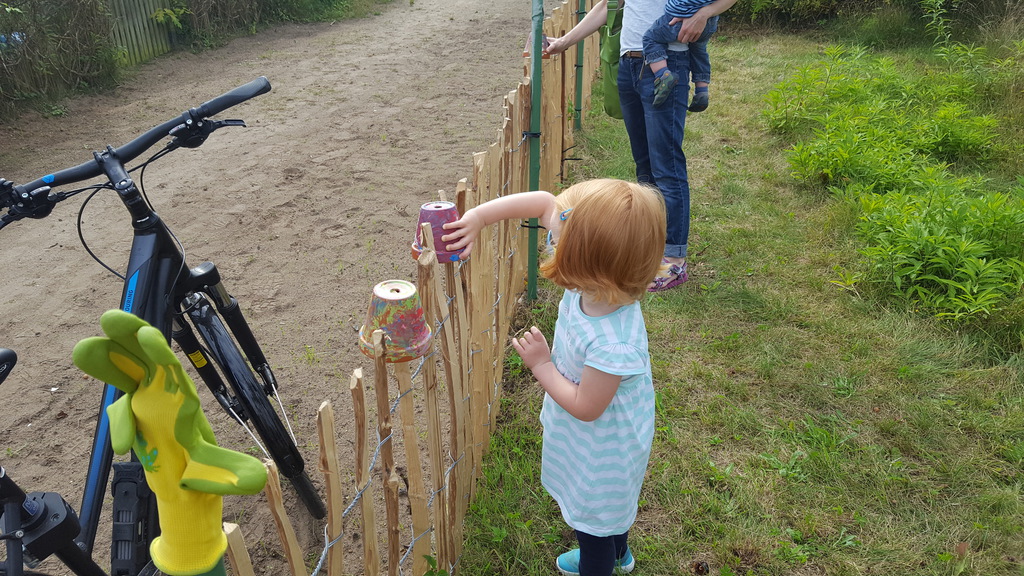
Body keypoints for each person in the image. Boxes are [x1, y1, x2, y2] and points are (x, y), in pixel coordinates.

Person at [441, 179, 665, 576]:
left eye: (555, 242)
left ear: (588, 262)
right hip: (598, 437)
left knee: (594, 524)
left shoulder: (612, 343)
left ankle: (603, 560)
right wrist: (478, 217)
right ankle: (620, 553)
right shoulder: (597, 286)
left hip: (605, 449)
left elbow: (587, 406)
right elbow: (545, 203)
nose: (548, 242)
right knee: (609, 515)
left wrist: (542, 366)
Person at [545, 0, 738, 292]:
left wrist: (704, 14)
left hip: (667, 61)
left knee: (667, 165)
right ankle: (648, 248)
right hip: (629, 65)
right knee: (644, 165)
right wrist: (563, 43)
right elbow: (608, 5)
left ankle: (674, 260)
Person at [643, 0, 720, 109]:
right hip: (709, 23)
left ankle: (662, 75)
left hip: (681, 16)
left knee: (650, 38)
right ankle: (702, 91)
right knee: (699, 51)